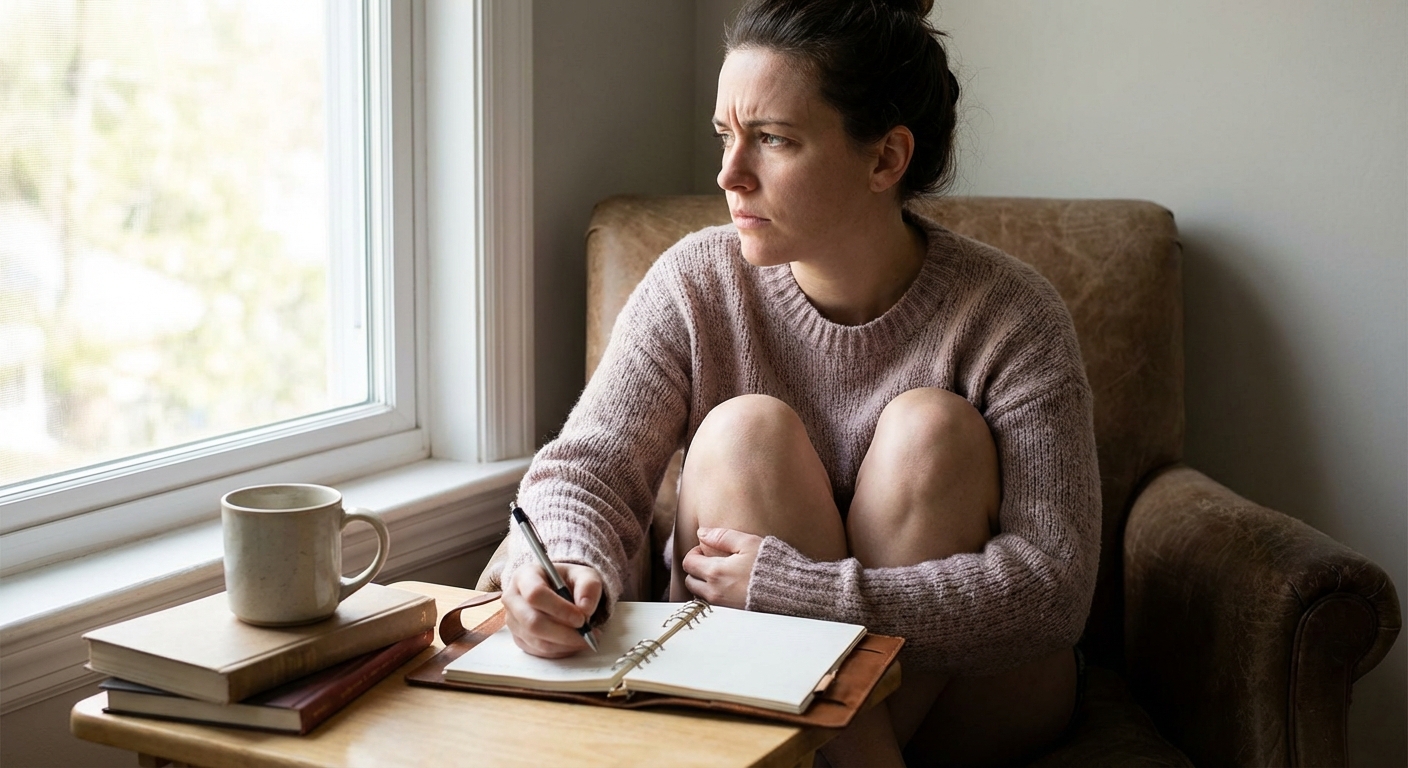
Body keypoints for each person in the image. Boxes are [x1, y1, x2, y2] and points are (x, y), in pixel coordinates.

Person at [498, 0, 1100, 764]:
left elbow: (1053, 587)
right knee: (745, 432)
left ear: (886, 159)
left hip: (964, 698)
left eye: (772, 140)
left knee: (931, 430)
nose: (728, 174)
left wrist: (807, 593)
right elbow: (588, 472)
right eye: (725, 135)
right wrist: (564, 565)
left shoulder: (1009, 314)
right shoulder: (694, 283)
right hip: (746, 679)